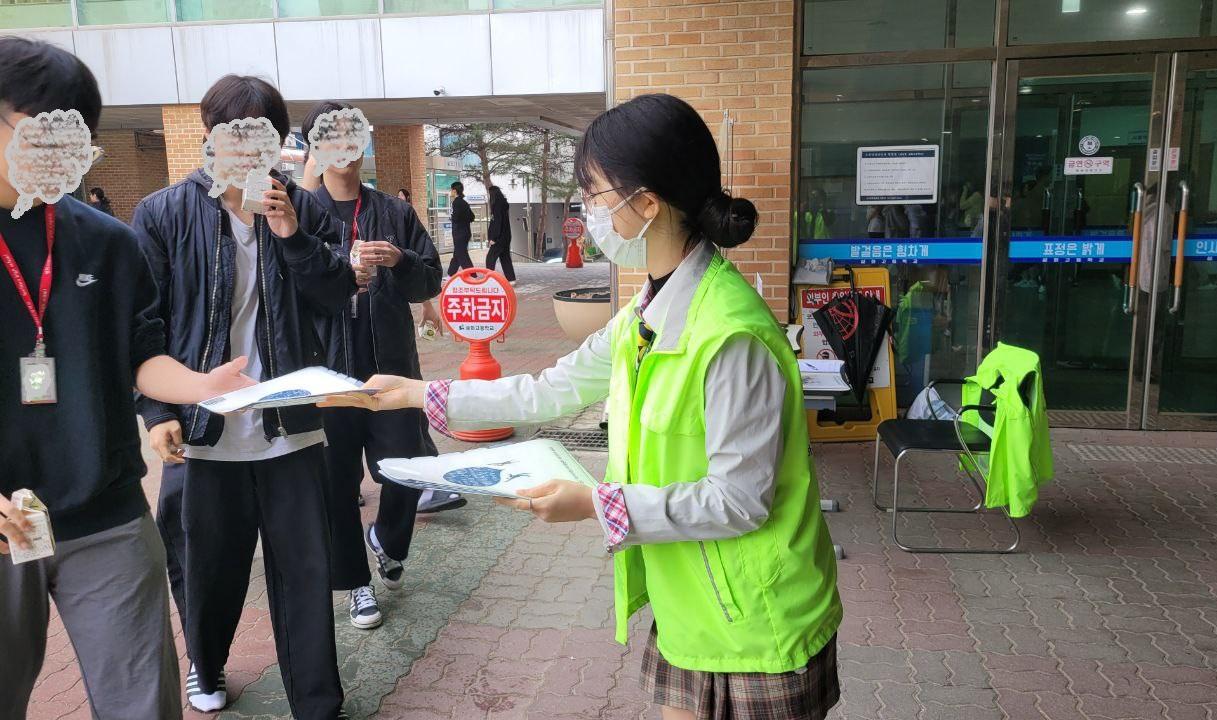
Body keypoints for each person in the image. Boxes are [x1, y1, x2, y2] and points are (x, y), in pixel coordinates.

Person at [323, 93, 843, 720]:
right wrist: (416, 393)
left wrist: (596, 504)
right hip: (693, 603)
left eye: (595, 194)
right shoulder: (649, 312)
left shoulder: (730, 336)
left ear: (646, 204)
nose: (588, 211)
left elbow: (737, 500)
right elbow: (550, 388)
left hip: (759, 621)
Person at [0, 37, 256, 720]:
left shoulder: (105, 240)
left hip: (104, 515)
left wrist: (200, 386)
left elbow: (141, 353)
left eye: (69, 137)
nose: (54, 152)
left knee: (142, 704)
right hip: (4, 521)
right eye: (36, 131)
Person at [131, 75, 352, 718]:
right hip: (203, 429)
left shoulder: (301, 207)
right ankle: (206, 665)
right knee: (207, 568)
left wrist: (293, 236)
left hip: (288, 426)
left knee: (306, 572)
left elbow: (337, 296)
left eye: (262, 138)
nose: (249, 151)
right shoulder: (164, 212)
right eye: (235, 135)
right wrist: (157, 412)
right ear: (210, 137)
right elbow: (144, 326)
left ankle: (317, 700)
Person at [301, 100, 461, 632]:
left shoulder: (393, 212)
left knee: (407, 468)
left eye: (353, 135)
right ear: (315, 147)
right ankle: (356, 583)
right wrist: (335, 272)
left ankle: (389, 540)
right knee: (336, 484)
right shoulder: (302, 215)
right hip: (328, 374)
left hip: (391, 369)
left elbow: (429, 280)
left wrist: (399, 259)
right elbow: (288, 291)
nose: (344, 148)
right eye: (331, 137)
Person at [485, 184, 515, 282]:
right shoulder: (503, 204)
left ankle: (489, 279)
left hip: (499, 238)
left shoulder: (497, 205)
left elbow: (497, 222)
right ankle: (511, 279)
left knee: (490, 258)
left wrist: (493, 238)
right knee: (505, 258)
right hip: (506, 236)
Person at [447, 180, 474, 275]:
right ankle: (451, 274)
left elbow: (456, 218)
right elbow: (472, 217)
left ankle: (473, 275)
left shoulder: (456, 202)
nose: (450, 192)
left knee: (462, 256)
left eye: (451, 190)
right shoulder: (464, 202)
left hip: (459, 234)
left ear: (454, 191)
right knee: (457, 255)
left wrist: (452, 217)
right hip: (465, 232)